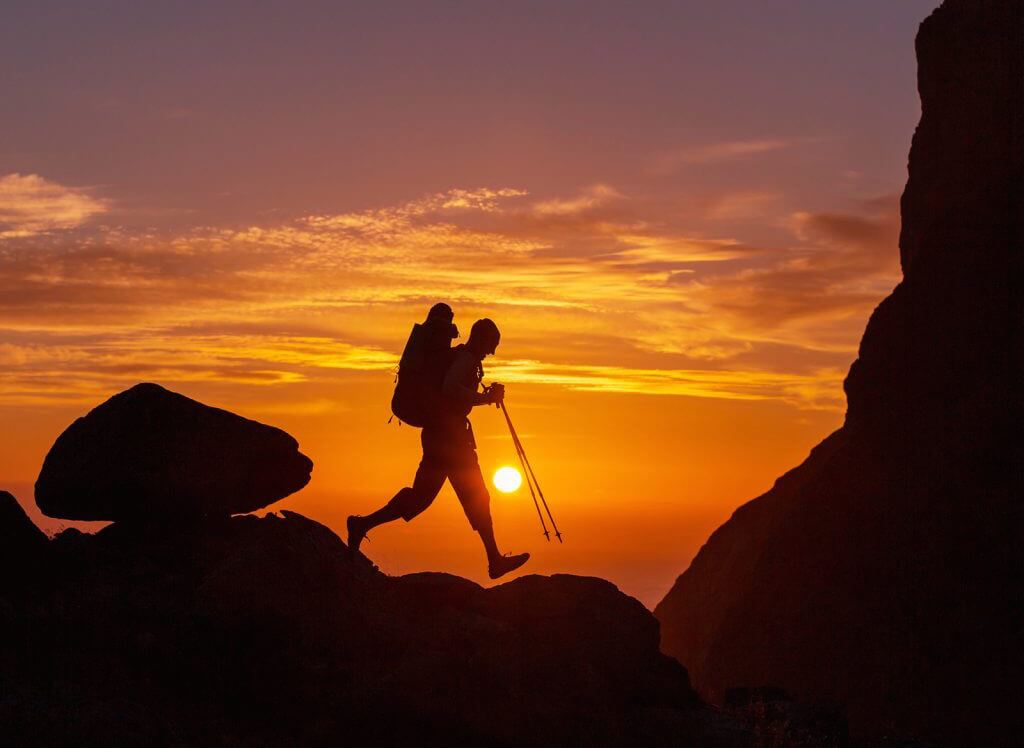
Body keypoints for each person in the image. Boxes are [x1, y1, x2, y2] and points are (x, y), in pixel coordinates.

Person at [348, 317, 530, 580]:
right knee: (476, 496)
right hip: (450, 441)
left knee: (422, 498)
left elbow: (452, 389)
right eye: (492, 345)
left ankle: (361, 523)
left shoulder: (463, 358)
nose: (493, 352)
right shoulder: (466, 360)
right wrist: (485, 399)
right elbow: (451, 388)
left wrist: (484, 396)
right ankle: (494, 561)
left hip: (441, 438)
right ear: (482, 339)